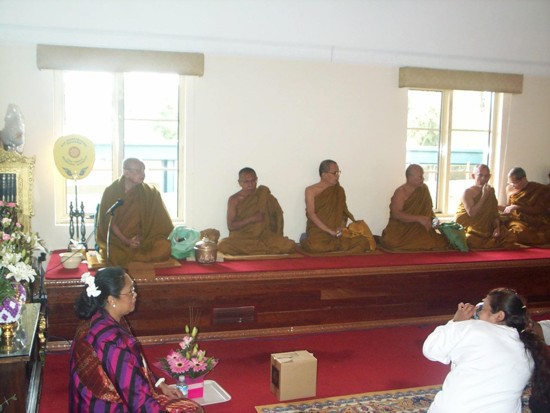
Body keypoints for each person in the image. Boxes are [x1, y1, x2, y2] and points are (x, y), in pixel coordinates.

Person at [69, 267, 203, 412]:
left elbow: (133, 366)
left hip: (88, 404)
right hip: (108, 407)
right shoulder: (111, 340)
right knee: (191, 409)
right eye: (130, 291)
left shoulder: (99, 319)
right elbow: (134, 395)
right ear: (112, 300)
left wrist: (159, 384)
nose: (135, 295)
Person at [423, 288, 550, 413]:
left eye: (482, 308)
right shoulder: (529, 349)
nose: (476, 312)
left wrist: (456, 322)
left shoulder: (472, 328)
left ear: (499, 316)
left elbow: (431, 350)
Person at [96, 158, 174, 267]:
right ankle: (137, 260)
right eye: (138, 171)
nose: (143, 174)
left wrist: (140, 239)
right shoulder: (111, 191)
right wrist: (127, 241)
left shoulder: (150, 192)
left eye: (144, 170)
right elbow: (110, 223)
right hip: (119, 241)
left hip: (144, 240)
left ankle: (134, 259)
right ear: (126, 173)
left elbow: (158, 223)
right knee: (112, 253)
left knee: (164, 247)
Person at [300, 160, 374, 253]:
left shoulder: (339, 191)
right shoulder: (310, 190)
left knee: (363, 241)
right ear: (324, 175)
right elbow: (311, 214)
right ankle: (306, 239)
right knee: (315, 247)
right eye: (334, 173)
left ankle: (339, 251)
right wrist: (329, 231)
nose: (338, 175)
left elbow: (343, 213)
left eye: (338, 172)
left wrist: (340, 227)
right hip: (318, 231)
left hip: (336, 233)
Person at [217, 167, 296, 255]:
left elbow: (278, 216)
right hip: (243, 237)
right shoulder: (234, 199)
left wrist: (277, 235)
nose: (250, 184)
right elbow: (231, 226)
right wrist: (252, 219)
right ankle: (264, 250)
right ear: (239, 182)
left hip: (264, 236)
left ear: (257, 180)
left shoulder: (264, 195)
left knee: (290, 245)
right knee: (223, 245)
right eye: (246, 182)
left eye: (253, 181)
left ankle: (256, 250)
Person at [380, 164, 448, 251]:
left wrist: (437, 224)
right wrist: (418, 218)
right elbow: (396, 214)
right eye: (420, 176)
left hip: (420, 229)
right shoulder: (401, 192)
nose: (423, 179)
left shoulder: (424, 189)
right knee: (392, 243)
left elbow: (429, 212)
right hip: (402, 230)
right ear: (410, 178)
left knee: (442, 241)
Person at [455, 164, 517, 249]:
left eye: (486, 176)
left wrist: (497, 228)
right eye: (480, 175)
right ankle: (491, 243)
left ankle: (492, 242)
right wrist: (484, 196)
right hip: (472, 228)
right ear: (473, 176)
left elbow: (494, 213)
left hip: (488, 226)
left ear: (490, 176)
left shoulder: (490, 191)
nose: (484, 179)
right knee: (470, 240)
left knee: (511, 237)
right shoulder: (468, 192)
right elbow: (472, 213)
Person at [499, 167, 550, 245]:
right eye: (510, 183)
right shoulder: (509, 189)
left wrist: (517, 207)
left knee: (526, 232)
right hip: (516, 219)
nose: (512, 185)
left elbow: (538, 210)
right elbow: (509, 206)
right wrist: (496, 206)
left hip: (534, 219)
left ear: (523, 179)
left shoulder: (539, 189)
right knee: (514, 230)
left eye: (514, 183)